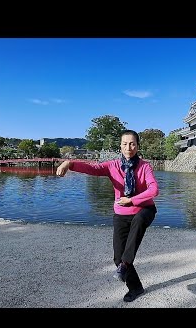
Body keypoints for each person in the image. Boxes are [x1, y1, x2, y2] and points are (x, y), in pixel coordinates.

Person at [56, 129, 159, 303]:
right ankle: (136, 287)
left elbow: (153, 190)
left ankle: (125, 265)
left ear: (138, 146)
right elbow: (92, 168)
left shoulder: (145, 166)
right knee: (117, 257)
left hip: (144, 209)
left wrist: (132, 200)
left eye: (132, 143)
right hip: (121, 213)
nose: (129, 147)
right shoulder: (112, 166)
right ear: (120, 146)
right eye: (125, 144)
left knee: (139, 222)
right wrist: (69, 163)